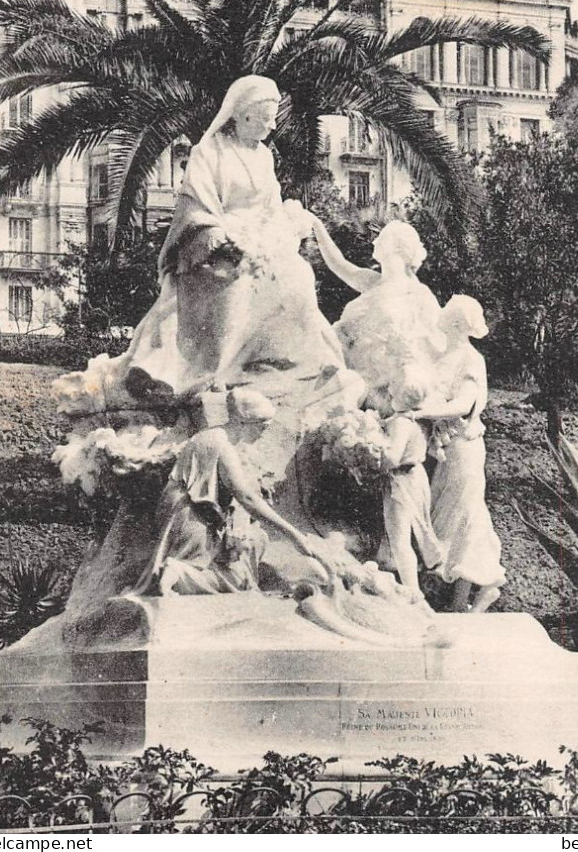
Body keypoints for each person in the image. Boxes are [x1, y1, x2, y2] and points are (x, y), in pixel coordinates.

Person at [121, 76, 345, 394]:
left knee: (298, 272)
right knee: (234, 272)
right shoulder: (208, 152)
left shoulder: (264, 157)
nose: (272, 127)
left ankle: (303, 359)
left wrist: (287, 222)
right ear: (243, 114)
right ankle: (217, 369)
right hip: (215, 238)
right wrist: (221, 232)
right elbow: (194, 205)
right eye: (267, 118)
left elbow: (271, 206)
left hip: (261, 237)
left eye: (274, 119)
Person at [130, 388, 331, 595]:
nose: (264, 432)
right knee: (203, 567)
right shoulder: (222, 444)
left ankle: (180, 574)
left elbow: (238, 496)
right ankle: (177, 574)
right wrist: (294, 535)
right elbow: (246, 496)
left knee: (250, 546)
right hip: (189, 513)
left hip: (197, 510)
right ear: (244, 422)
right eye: (262, 427)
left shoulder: (218, 438)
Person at [415, 295, 505, 613]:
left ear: (457, 323)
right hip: (441, 451)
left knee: (464, 516)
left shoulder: (471, 359)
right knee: (448, 516)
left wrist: (420, 412)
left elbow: (463, 404)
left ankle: (471, 595)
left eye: (448, 316)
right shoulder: (442, 356)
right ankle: (464, 597)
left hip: (463, 448)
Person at [310, 216, 445, 408]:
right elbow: (338, 263)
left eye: (382, 237)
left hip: (391, 387)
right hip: (352, 369)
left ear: (398, 247)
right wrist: (317, 226)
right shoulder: (372, 281)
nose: (376, 241)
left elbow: (435, 344)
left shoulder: (418, 293)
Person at [379, 371, 444, 598]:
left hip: (401, 481)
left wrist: (371, 450)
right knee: (406, 535)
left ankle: (413, 593)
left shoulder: (400, 423)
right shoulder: (418, 420)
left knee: (400, 539)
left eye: (391, 389)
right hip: (417, 477)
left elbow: (392, 458)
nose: (388, 392)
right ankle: (405, 586)